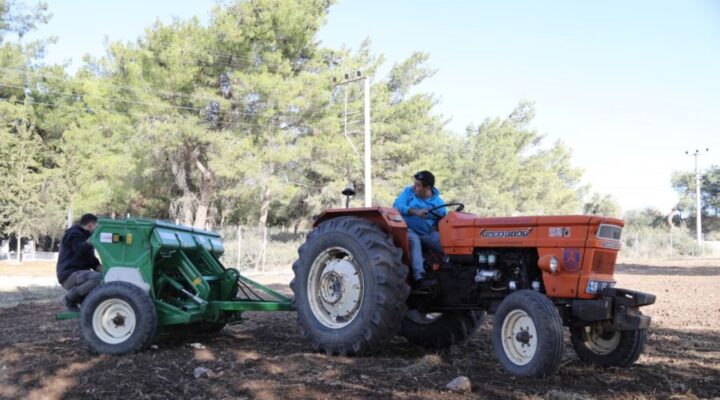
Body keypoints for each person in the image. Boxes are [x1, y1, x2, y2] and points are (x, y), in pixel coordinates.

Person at [393, 170, 447, 290]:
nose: (414, 187)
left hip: (427, 233)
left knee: (447, 244)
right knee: (414, 240)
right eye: (414, 184)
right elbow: (397, 206)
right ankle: (420, 277)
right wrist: (415, 212)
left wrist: (438, 226)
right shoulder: (408, 192)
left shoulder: (438, 203)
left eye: (418, 185)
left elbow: (443, 219)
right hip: (406, 230)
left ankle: (448, 273)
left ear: (427, 188)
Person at [56, 213, 102, 311]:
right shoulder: (73, 234)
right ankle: (69, 298)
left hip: (81, 276)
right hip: (69, 275)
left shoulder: (86, 236)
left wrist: (107, 272)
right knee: (98, 278)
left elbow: (92, 261)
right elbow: (79, 249)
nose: (98, 231)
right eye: (97, 227)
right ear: (90, 225)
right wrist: (93, 239)